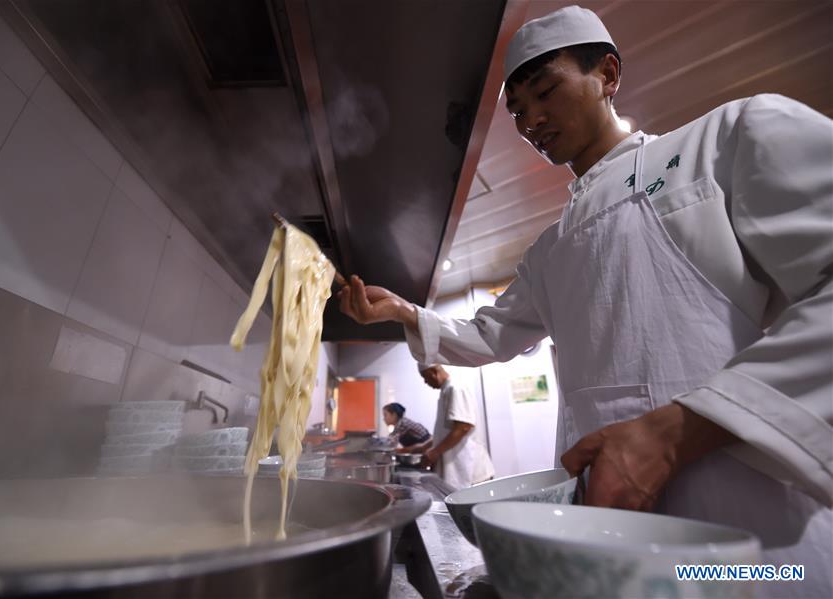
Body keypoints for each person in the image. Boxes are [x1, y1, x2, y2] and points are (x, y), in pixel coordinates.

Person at [338, 5, 832, 597]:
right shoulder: (552, 248)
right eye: (518, 111)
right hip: (610, 540)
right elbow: (493, 335)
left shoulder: (724, 141)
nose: (531, 121)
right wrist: (398, 312)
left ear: (608, 74)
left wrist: (677, 431)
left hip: (756, 539)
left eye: (546, 91)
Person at [413, 364, 494, 489]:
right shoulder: (447, 390)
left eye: (425, 377)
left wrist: (434, 452)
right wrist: (425, 447)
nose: (425, 382)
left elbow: (463, 427)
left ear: (434, 371)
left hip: (470, 471)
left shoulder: (456, 388)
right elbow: (445, 431)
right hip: (458, 469)